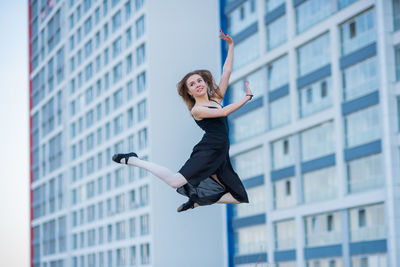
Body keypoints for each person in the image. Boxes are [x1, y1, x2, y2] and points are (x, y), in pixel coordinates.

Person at [112, 29, 253, 212]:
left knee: (239, 197)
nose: (198, 85)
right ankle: (132, 160)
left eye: (199, 80)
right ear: (189, 92)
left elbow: (226, 72)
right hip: (209, 150)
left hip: (221, 152)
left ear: (205, 82)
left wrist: (231, 46)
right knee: (174, 181)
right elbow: (224, 113)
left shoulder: (215, 99)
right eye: (192, 84)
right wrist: (247, 97)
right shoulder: (197, 109)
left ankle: (196, 201)